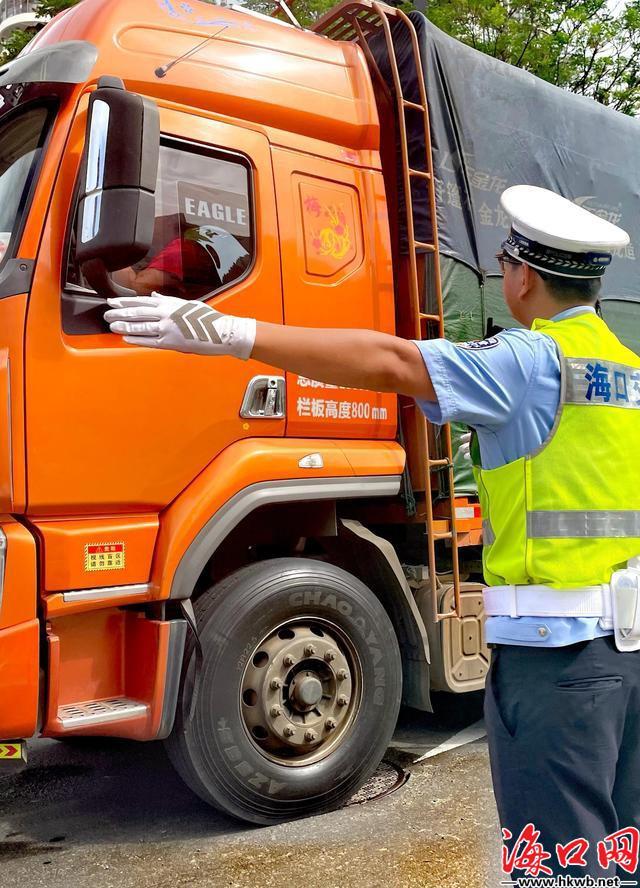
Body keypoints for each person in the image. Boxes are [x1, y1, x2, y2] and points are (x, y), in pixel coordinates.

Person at [104, 185, 640, 879]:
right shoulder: (626, 372)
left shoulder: (529, 362)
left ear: (522, 276)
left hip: (556, 666)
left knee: (562, 865)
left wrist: (229, 332)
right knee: (616, 847)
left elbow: (391, 361)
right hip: (625, 659)